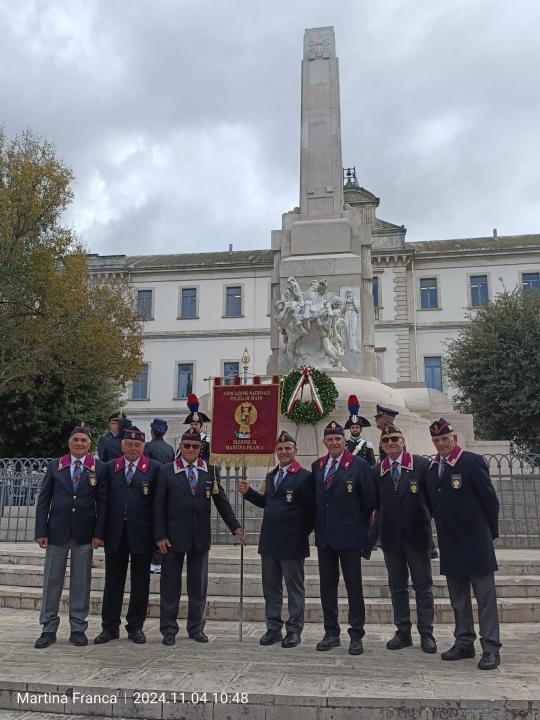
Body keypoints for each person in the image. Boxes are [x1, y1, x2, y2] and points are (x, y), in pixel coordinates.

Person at [154, 430, 244, 646]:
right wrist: (159, 536)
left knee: (198, 586)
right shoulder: (167, 471)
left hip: (199, 537)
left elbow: (221, 501)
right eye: (187, 446)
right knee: (170, 586)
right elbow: (157, 506)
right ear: (181, 447)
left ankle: (196, 627)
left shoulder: (209, 471)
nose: (191, 450)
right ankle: (168, 629)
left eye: (195, 447)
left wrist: (235, 527)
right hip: (172, 538)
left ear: (200, 449)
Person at [424, 418, 501, 670]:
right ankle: (464, 641)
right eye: (436, 440)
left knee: (485, 597)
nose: (441, 444)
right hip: (451, 543)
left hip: (476, 541)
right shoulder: (432, 467)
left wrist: (487, 533)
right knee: (458, 598)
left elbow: (490, 501)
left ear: (454, 439)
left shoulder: (471, 462)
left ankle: (490, 647)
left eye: (445, 439)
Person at [239, 431, 315, 648]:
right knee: (271, 588)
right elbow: (268, 503)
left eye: (288, 448)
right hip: (270, 541)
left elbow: (311, 512)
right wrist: (249, 493)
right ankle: (273, 628)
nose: (283, 452)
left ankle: (294, 630)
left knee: (294, 588)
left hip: (292, 542)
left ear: (295, 451)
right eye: (280, 449)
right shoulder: (272, 475)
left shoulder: (304, 476)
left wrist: (301, 534)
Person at [34, 426, 106, 648]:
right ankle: (48, 628)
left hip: (85, 533)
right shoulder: (55, 466)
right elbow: (44, 500)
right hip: (56, 532)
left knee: (80, 582)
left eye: (84, 440)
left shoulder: (98, 468)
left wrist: (98, 534)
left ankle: (78, 628)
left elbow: (102, 504)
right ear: (69, 442)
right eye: (76, 439)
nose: (80, 443)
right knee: (51, 581)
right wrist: (41, 531)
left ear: (89, 444)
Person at [311, 421, 376, 655]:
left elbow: (369, 502)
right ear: (325, 442)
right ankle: (331, 633)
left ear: (344, 440)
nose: (334, 442)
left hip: (350, 536)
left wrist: (362, 531)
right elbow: (317, 501)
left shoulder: (358, 465)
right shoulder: (318, 466)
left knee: (353, 588)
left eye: (338, 438)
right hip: (326, 538)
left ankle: (356, 635)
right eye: (330, 439)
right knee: (327, 587)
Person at [94, 426, 160, 645]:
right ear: (122, 446)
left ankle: (136, 627)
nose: (133, 448)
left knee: (140, 583)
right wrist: (99, 533)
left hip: (142, 534)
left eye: (137, 445)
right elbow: (102, 503)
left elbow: (157, 506)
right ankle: (109, 627)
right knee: (113, 582)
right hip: (115, 534)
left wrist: (158, 535)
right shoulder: (110, 467)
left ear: (143, 447)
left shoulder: (153, 469)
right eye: (129, 444)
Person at [374, 423, 436, 653]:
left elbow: (431, 502)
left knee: (423, 586)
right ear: (381, 444)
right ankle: (403, 632)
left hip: (417, 537)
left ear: (403, 441)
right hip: (391, 539)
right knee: (397, 587)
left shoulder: (420, 465)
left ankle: (427, 634)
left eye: (395, 439)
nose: (391, 443)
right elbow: (376, 506)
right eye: (386, 440)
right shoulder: (377, 470)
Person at [144, 418, 175, 574]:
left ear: (152, 431)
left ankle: (154, 561)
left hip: (152, 490)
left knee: (152, 525)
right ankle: (160, 560)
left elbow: (145, 468)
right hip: (168, 490)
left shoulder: (148, 447)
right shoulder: (170, 448)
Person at [344, 395, 375, 465]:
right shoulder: (344, 445)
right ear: (350, 429)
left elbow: (372, 464)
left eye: (357, 427)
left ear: (361, 429)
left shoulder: (367, 445)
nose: (355, 429)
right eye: (352, 427)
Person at [183, 394, 211, 463]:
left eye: (196, 424)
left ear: (201, 425)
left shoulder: (207, 439)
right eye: (191, 424)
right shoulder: (185, 438)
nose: (193, 426)